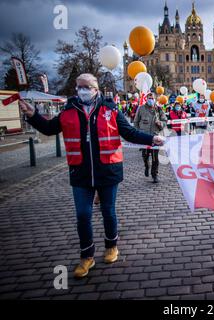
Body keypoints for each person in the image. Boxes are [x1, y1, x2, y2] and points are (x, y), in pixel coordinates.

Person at [18, 73, 165, 278]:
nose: (82, 90)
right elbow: (50, 129)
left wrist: (152, 138)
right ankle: (87, 257)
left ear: (96, 89)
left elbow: (129, 132)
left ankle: (111, 245)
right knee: (83, 215)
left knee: (108, 212)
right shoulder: (68, 111)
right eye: (79, 87)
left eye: (87, 86)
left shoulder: (110, 109)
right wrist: (33, 114)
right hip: (81, 172)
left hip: (108, 171)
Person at [134, 92, 167, 183]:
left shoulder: (159, 109)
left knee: (155, 158)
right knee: (145, 155)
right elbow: (136, 121)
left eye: (152, 98)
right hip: (144, 136)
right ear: (146, 99)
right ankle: (146, 165)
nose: (150, 100)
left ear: (155, 99)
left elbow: (165, 120)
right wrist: (137, 133)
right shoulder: (141, 108)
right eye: (149, 98)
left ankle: (154, 175)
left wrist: (160, 123)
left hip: (155, 136)